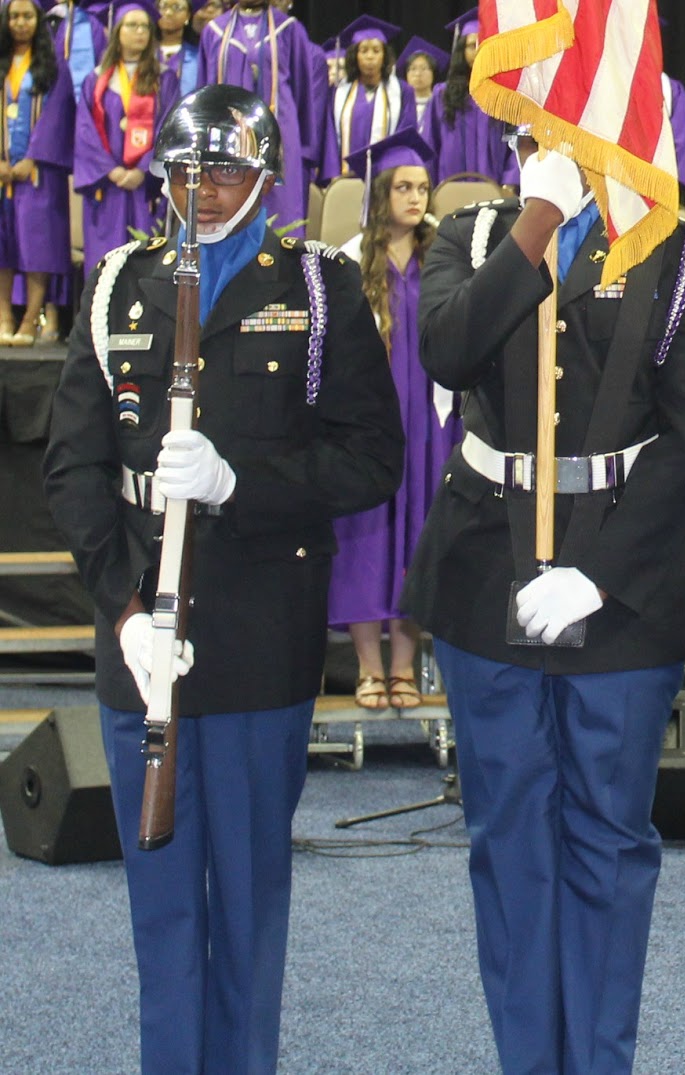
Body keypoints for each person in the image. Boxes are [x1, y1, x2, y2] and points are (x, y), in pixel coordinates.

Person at [42, 83, 403, 1074]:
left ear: (267, 174)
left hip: (257, 634)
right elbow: (71, 464)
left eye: (227, 171)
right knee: (161, 917)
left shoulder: (319, 289)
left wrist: (243, 483)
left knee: (247, 909)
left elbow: (374, 459)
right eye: (185, 172)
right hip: (140, 643)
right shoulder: (120, 281)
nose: (202, 192)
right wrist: (122, 610)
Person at [403, 130, 685, 1072]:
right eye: (537, 126)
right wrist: (537, 223)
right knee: (508, 838)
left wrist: (600, 568)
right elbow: (450, 351)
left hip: (621, 583)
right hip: (482, 571)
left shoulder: (675, 245)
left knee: (610, 841)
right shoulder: (471, 235)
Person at [328, 127, 457, 710]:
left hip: (432, 422)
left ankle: (405, 668)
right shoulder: (350, 261)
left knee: (419, 537)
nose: (416, 198)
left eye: (423, 187)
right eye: (403, 186)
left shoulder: (446, 255)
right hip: (373, 426)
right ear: (381, 193)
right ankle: (368, 667)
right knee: (366, 541)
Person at [198, 0, 324, 236]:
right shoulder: (214, 31)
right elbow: (204, 91)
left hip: (280, 138)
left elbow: (303, 91)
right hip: (228, 138)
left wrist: (304, 149)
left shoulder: (289, 28)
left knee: (281, 213)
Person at [73, 0, 178, 276]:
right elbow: (85, 133)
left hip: (145, 190)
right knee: (105, 266)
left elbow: (168, 128)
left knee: (145, 259)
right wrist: (111, 170)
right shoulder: (96, 82)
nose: (141, 32)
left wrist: (143, 169)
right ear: (116, 31)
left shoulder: (164, 79)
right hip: (107, 189)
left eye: (145, 26)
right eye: (132, 25)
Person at [0, 0, 73, 346]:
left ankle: (31, 317)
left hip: (38, 174)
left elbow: (57, 115)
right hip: (2, 172)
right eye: (14, 16)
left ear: (38, 21)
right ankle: (3, 316)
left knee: (36, 245)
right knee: (2, 244)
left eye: (27, 16)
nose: (20, 23)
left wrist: (34, 157)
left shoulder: (55, 66)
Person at [424, 12, 512, 184]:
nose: (478, 49)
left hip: (496, 188)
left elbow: (518, 143)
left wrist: (510, 182)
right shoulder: (442, 94)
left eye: (483, 43)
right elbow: (430, 144)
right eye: (472, 45)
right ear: (461, 51)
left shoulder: (506, 93)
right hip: (450, 187)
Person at [320, 14, 412, 182]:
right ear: (355, 55)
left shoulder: (402, 91)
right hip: (345, 178)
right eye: (364, 51)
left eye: (376, 50)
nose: (370, 57)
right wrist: (333, 175)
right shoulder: (338, 92)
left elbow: (405, 135)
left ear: (385, 55)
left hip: (386, 179)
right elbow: (330, 137)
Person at [400, 36, 445, 132]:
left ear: (433, 73)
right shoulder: (399, 105)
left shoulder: (441, 104)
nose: (418, 74)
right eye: (413, 69)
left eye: (424, 68)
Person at [154, 0, 197, 97]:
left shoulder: (197, 57)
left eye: (177, 7)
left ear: (188, 15)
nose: (168, 13)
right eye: (163, 6)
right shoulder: (146, 53)